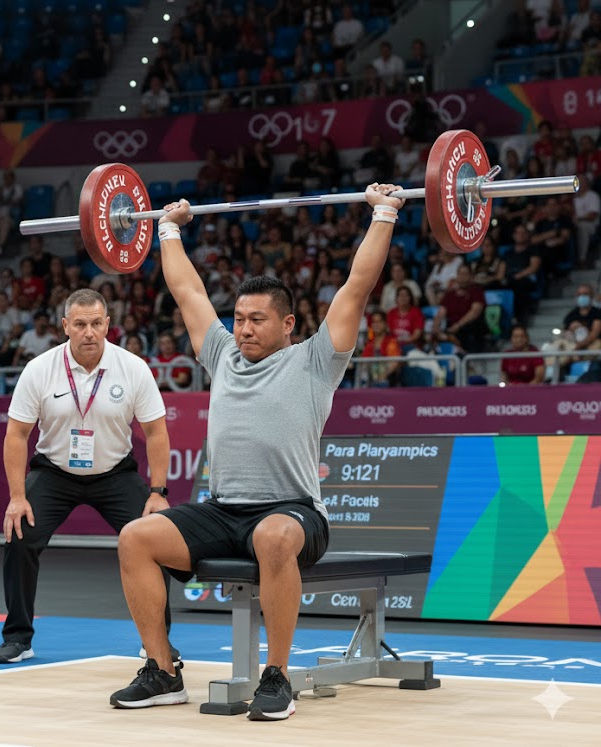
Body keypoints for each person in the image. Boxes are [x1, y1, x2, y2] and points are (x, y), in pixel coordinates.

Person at [109, 185, 404, 720]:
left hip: (293, 511)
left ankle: (277, 676)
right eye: (239, 318)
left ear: (287, 324)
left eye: (257, 320)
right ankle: (162, 671)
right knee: (136, 538)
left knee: (272, 536)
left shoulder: (316, 360)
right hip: (224, 510)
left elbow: (357, 286)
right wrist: (168, 228)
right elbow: (188, 292)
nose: (243, 328)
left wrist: (383, 213)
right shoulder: (222, 354)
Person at [0, 288, 174, 665]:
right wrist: (17, 497)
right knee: (19, 534)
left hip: (115, 473)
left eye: (96, 323)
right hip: (54, 471)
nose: (88, 332)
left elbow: (156, 433)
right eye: (80, 324)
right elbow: (16, 435)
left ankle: (156, 641)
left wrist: (158, 492)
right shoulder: (40, 369)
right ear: (65, 326)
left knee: (158, 536)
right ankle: (18, 637)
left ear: (108, 324)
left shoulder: (132, 367)